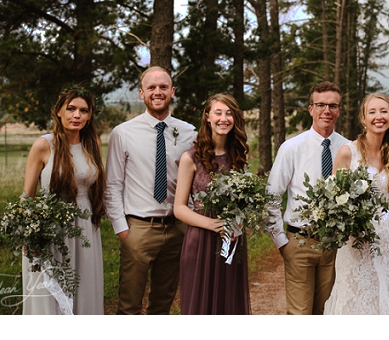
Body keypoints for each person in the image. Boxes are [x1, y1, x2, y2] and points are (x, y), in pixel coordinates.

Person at [104, 66, 196, 314]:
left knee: (162, 306)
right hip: (139, 229)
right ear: (141, 93)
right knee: (129, 306)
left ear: (172, 92)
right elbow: (112, 186)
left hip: (177, 230)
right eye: (152, 88)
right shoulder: (122, 133)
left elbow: (196, 183)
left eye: (163, 87)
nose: (158, 92)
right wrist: (123, 230)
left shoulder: (189, 133)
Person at [266, 81, 349, 314]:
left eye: (333, 106)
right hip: (300, 242)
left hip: (335, 247)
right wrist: (281, 242)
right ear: (310, 109)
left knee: (327, 312)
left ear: (339, 110)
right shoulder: (291, 148)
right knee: (300, 315)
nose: (327, 111)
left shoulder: (349, 148)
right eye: (321, 105)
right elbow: (271, 196)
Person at [21, 86, 105, 314]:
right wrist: (30, 236)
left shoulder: (93, 145)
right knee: (50, 296)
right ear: (58, 111)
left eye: (83, 110)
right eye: (71, 109)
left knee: (83, 288)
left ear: (89, 115)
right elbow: (27, 196)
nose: (77, 115)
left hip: (86, 228)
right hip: (50, 230)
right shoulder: (43, 145)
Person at [324, 93, 389, 315]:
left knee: (383, 296)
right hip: (355, 241)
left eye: (384, 111)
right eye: (372, 112)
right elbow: (334, 201)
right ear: (363, 118)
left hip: (387, 241)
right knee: (354, 296)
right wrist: (352, 224)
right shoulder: (348, 152)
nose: (378, 117)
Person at [174, 93, 251, 314]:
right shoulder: (191, 158)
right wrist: (213, 225)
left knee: (228, 303)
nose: (223, 118)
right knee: (201, 305)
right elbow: (179, 208)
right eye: (218, 113)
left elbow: (242, 199)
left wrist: (238, 221)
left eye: (229, 114)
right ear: (208, 117)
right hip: (200, 240)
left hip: (231, 239)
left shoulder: (239, 155)